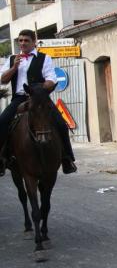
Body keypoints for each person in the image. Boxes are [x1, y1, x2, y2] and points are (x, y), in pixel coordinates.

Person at [0, 29, 77, 176]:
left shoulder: (44, 58)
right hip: (19, 98)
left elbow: (51, 79)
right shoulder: (12, 59)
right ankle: (2, 158)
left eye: (26, 40)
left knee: (61, 123)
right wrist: (14, 67)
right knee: (2, 121)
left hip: (39, 98)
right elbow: (3, 80)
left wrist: (40, 87)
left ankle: (67, 159)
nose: (23, 43)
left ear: (34, 42)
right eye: (20, 40)